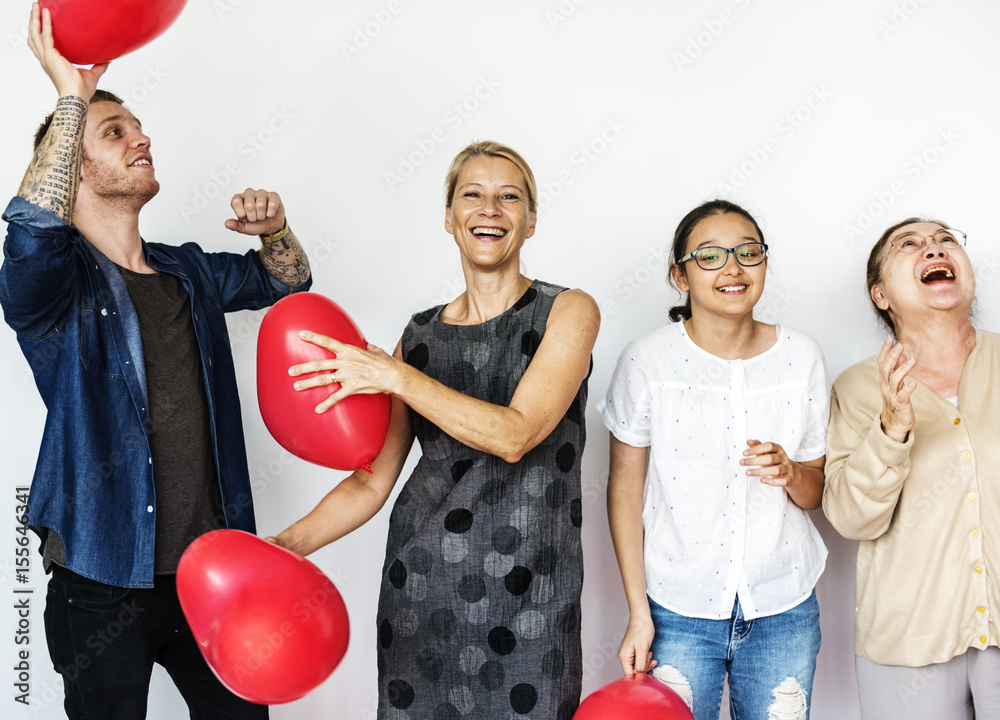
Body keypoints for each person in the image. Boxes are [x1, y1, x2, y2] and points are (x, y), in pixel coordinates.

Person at [0, 5, 311, 719]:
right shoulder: (53, 291)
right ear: (69, 169)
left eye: (137, 126)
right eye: (116, 133)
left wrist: (277, 230)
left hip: (215, 574)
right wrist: (72, 99)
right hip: (101, 573)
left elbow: (289, 281)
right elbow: (33, 229)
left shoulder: (190, 273)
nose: (142, 138)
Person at [270, 140, 599, 718]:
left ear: (531, 220)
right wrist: (283, 547)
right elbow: (372, 482)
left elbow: (515, 435)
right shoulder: (417, 338)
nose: (489, 209)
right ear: (449, 219)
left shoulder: (568, 311)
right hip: (422, 595)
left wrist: (396, 377)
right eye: (472, 195)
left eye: (509, 197)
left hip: (534, 599)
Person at [600, 200, 829, 720]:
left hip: (783, 607)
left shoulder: (802, 356)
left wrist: (792, 472)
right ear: (678, 273)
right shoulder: (647, 359)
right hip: (678, 609)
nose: (733, 267)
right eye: (709, 256)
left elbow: (816, 493)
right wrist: (639, 614)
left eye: (749, 252)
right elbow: (624, 490)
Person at [823, 219, 1000, 719]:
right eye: (911, 244)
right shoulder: (858, 387)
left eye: (945, 239)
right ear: (881, 295)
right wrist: (891, 429)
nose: (933, 248)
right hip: (907, 640)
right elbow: (853, 519)